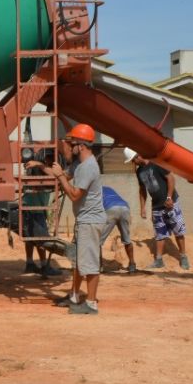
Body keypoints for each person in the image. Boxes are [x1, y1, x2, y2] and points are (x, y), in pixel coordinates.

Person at [48, 123, 106, 314]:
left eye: (72, 143)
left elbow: (74, 194)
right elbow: (63, 175)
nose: (70, 146)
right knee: (80, 262)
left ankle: (91, 303)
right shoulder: (80, 165)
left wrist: (60, 177)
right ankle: (74, 295)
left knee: (89, 263)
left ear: (81, 146)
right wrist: (44, 168)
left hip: (90, 221)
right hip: (84, 220)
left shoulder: (88, 167)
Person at [125, 148, 190, 270]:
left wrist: (169, 197)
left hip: (171, 204)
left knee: (178, 230)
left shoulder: (157, 163)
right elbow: (142, 190)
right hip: (156, 205)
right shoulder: (139, 172)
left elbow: (171, 178)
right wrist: (142, 207)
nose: (133, 163)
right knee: (159, 234)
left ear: (138, 155)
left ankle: (183, 257)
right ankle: (159, 260)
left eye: (133, 160)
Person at [99, 185, 137, 273]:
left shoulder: (94, 190)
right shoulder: (109, 188)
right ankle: (132, 264)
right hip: (125, 208)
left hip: (111, 209)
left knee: (97, 241)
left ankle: (98, 266)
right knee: (127, 240)